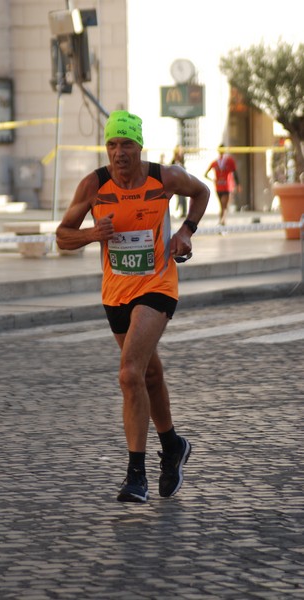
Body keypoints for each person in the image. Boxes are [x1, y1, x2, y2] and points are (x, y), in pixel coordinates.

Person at [56, 110, 209, 503]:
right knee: (149, 375)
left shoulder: (165, 177)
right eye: (111, 144)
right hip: (115, 293)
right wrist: (91, 233)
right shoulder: (94, 185)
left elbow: (202, 192)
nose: (119, 152)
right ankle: (173, 445)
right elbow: (62, 236)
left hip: (157, 285)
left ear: (140, 146)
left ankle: (135, 474)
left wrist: (186, 231)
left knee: (128, 374)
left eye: (126, 144)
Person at [204, 144, 241, 226]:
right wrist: (213, 180)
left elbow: (234, 172)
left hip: (223, 187)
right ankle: (222, 222)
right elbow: (235, 172)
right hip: (223, 187)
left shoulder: (225, 161)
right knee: (223, 206)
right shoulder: (225, 161)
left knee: (223, 206)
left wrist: (237, 184)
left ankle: (222, 221)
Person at [171, 145, 187, 218]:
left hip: (182, 181)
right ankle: (178, 210)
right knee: (179, 197)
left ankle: (183, 212)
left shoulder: (182, 161)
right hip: (176, 181)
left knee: (183, 197)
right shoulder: (174, 161)